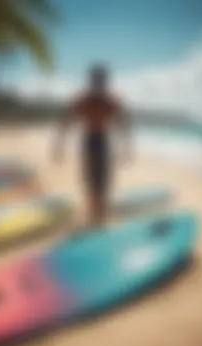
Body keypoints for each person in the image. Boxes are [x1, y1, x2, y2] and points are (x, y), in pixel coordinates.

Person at [52, 63, 132, 229]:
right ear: (92, 81)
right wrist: (59, 146)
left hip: (100, 140)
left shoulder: (109, 101)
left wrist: (127, 148)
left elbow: (123, 123)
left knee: (102, 182)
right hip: (91, 141)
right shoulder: (85, 100)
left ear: (104, 81)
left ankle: (99, 218)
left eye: (101, 81)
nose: (99, 84)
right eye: (97, 80)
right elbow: (66, 121)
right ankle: (94, 217)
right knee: (91, 181)